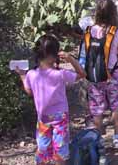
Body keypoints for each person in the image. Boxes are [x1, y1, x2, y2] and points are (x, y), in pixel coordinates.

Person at [16, 35, 85, 165]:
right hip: (60, 116)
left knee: (43, 149)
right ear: (54, 55)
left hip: (43, 116)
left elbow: (29, 91)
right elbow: (82, 74)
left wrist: (22, 75)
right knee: (60, 150)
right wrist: (71, 59)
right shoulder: (61, 74)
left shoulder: (31, 74)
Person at [85, 0, 118, 149]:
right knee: (116, 106)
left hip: (95, 76)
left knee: (97, 109)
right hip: (113, 75)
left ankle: (99, 140)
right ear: (113, 13)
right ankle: (117, 137)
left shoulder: (90, 30)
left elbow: (86, 53)